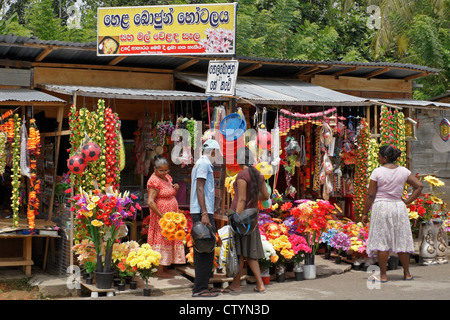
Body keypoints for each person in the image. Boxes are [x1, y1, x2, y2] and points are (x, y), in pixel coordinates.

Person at [362, 145, 423, 283]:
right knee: (401, 239)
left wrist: (365, 213)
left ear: (384, 157)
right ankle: (407, 273)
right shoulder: (403, 171)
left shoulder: (377, 172)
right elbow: (419, 186)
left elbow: (370, 195)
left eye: (379, 156)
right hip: (398, 207)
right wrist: (407, 201)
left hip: (381, 207)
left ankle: (383, 275)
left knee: (382, 242)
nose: (378, 158)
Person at [222, 146, 269, 294]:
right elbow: (266, 196)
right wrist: (253, 199)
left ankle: (236, 285)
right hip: (253, 217)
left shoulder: (242, 175)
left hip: (241, 217)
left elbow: (241, 199)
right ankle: (259, 284)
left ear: (238, 160)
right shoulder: (258, 174)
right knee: (247, 252)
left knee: (239, 251)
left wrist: (236, 217)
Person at [190, 139, 223, 297]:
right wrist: (204, 213)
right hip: (202, 212)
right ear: (213, 152)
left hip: (202, 211)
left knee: (202, 248)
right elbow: (200, 187)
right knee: (206, 249)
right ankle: (200, 289)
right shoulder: (203, 164)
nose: (217, 157)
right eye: (217, 153)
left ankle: (201, 286)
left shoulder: (200, 163)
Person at [147, 155, 186, 278]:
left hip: (170, 215)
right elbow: (150, 201)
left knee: (169, 238)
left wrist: (176, 189)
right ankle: (159, 270)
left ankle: (164, 267)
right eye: (161, 170)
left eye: (166, 170)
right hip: (161, 216)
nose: (164, 172)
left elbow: (170, 192)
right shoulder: (154, 181)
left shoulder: (167, 178)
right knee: (162, 239)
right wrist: (161, 216)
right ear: (155, 169)